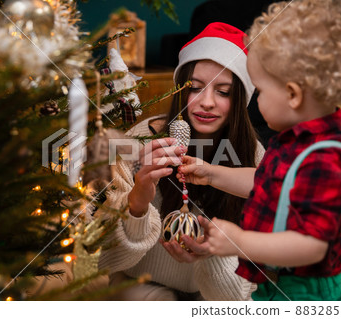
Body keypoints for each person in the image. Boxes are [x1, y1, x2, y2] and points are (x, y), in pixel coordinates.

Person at [178, 0, 341, 301]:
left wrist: (239, 241)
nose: (257, 102)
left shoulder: (324, 157)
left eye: (261, 91)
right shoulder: (295, 139)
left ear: (292, 94)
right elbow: (268, 183)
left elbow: (312, 245)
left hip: (308, 292)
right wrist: (212, 173)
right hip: (276, 282)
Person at [98, 22, 265, 300]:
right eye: (196, 88)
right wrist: (138, 201)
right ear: (179, 91)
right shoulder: (139, 140)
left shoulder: (254, 158)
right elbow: (111, 258)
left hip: (210, 292)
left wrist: (210, 253)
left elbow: (236, 296)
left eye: (223, 92)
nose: (207, 102)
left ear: (240, 100)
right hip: (140, 285)